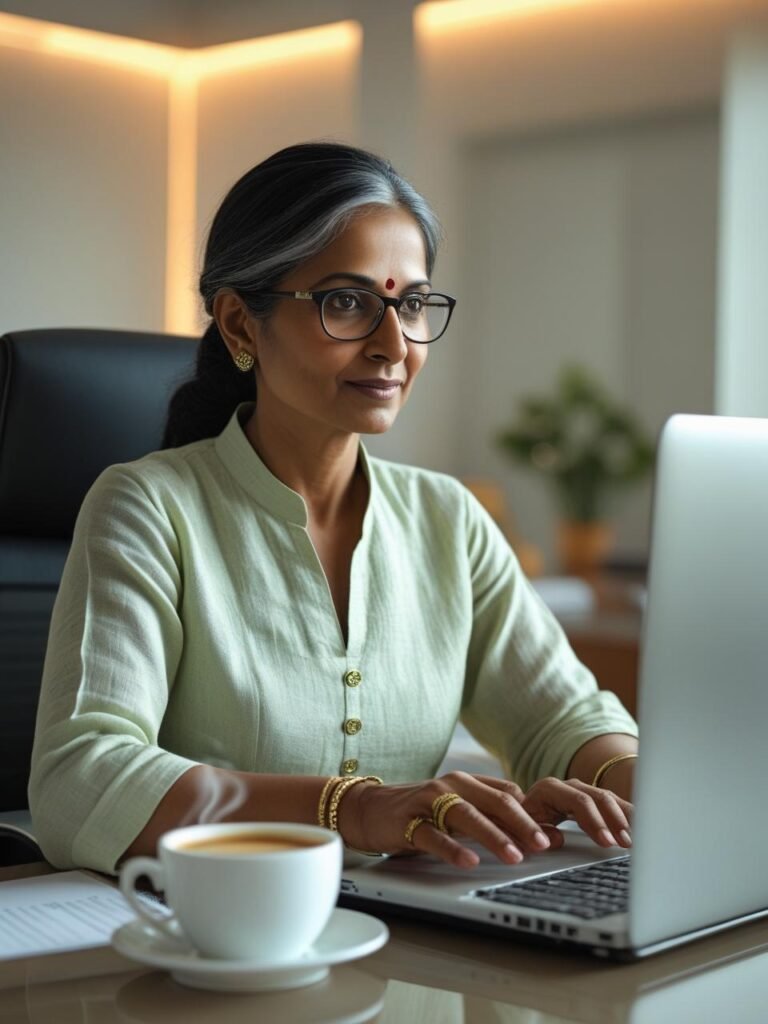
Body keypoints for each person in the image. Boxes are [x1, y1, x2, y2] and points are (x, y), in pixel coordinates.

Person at [29, 142, 638, 876]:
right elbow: (78, 780)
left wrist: (632, 782)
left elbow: (565, 718)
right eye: (345, 302)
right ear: (240, 325)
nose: (393, 344)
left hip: (412, 942)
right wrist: (348, 808)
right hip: (203, 944)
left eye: (411, 303)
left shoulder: (448, 519)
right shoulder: (149, 508)